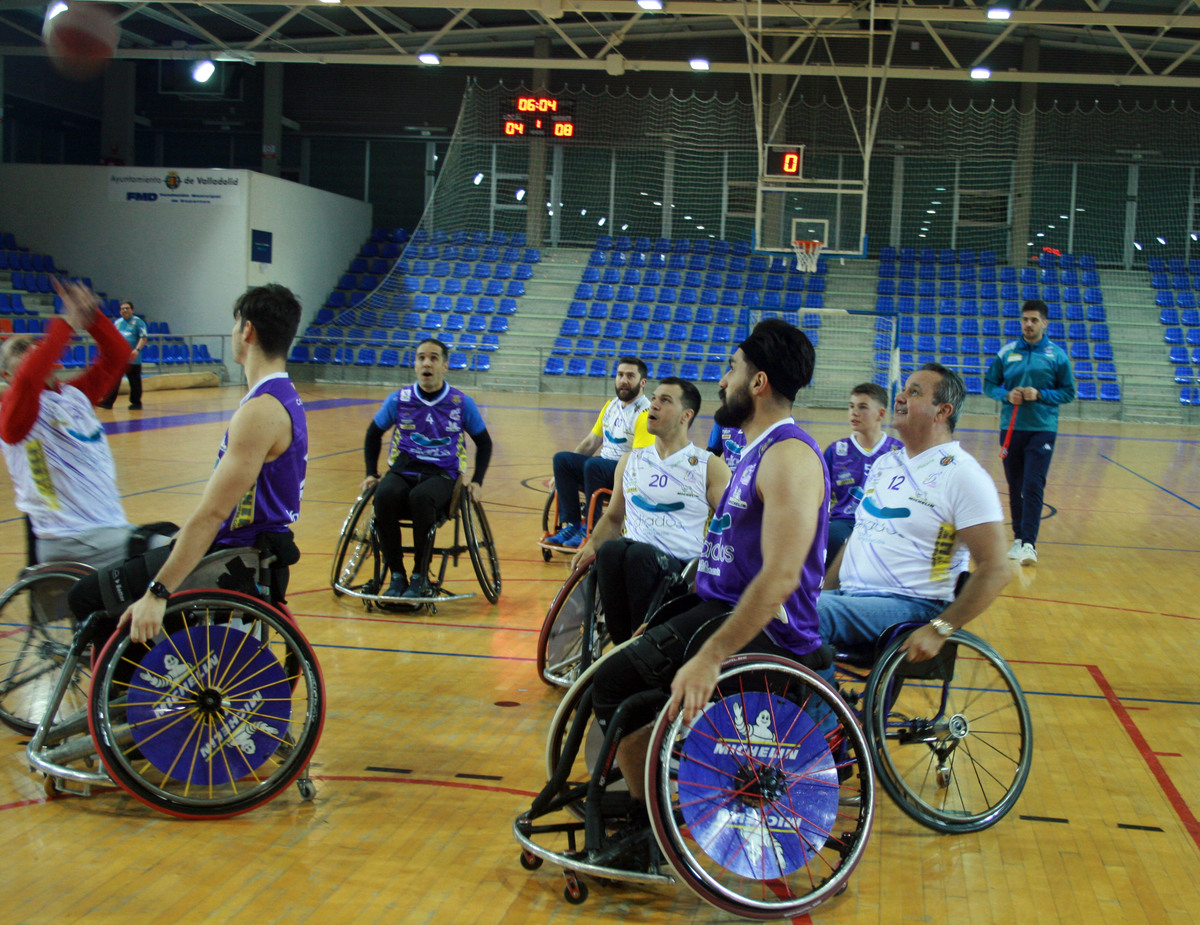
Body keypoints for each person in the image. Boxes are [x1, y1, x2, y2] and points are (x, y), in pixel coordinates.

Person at [589, 319, 830, 814]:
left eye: (731, 369)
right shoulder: (752, 450)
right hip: (716, 607)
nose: (723, 380)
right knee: (616, 671)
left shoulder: (789, 457)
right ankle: (648, 800)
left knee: (616, 685)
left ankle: (648, 823)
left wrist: (712, 656)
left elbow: (783, 577)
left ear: (758, 383)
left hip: (768, 634)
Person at [67, 283, 307, 643]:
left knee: (85, 596)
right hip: (252, 546)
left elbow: (213, 514)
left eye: (235, 324)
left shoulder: (261, 411)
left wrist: (157, 593)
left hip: (231, 558)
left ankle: (119, 694)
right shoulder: (282, 397)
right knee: (152, 536)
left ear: (247, 330)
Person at [818, 364, 1010, 665]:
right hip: (852, 599)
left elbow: (997, 568)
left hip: (910, 606)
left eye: (914, 392)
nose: (900, 397)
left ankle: (818, 712)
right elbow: (861, 535)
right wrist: (823, 591)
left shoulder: (963, 474)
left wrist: (940, 628)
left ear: (942, 412)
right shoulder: (886, 464)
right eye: (904, 389)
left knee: (798, 616)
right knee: (773, 607)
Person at [570, 377, 731, 644]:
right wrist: (591, 544)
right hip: (631, 555)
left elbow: (729, 524)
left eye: (665, 401)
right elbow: (612, 517)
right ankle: (624, 645)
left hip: (679, 569)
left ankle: (637, 650)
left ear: (686, 415)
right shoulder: (630, 460)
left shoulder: (708, 466)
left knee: (637, 555)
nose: (653, 406)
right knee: (610, 550)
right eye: (653, 398)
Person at [0, 279, 136, 569]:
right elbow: (27, 379)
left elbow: (119, 355)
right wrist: (67, 322)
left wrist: (92, 318)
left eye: (32, 346)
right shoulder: (14, 412)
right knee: (169, 552)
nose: (29, 350)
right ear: (5, 374)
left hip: (108, 526)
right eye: (18, 350)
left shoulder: (76, 395)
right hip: (71, 537)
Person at [361, 338, 493, 601]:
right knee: (384, 496)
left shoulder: (460, 402)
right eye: (421, 357)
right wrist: (370, 472)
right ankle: (397, 575)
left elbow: (484, 442)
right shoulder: (399, 399)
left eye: (433, 358)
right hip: (405, 469)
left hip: (443, 473)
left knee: (421, 498)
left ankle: (420, 575)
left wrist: (477, 480)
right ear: (415, 364)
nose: (426, 363)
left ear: (444, 366)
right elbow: (373, 434)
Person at [984, 299, 1075, 567]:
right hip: (1011, 429)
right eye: (1025, 319)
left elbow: (1068, 392)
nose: (1028, 324)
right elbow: (990, 385)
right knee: (1015, 484)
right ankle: (1018, 539)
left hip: (1042, 429)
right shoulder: (1007, 353)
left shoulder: (1057, 356)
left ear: (1045, 323)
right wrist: (1005, 394)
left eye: (1034, 320)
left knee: (1033, 484)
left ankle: (1030, 544)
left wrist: (1041, 394)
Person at [544, 357, 652, 550]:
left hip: (625, 475)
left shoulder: (645, 413)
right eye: (620, 375)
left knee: (593, 465)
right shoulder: (611, 406)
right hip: (599, 468)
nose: (623, 380)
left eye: (630, 376)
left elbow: (639, 460)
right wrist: (562, 473)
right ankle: (572, 525)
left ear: (642, 382)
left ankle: (592, 528)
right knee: (562, 459)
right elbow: (590, 442)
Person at [822, 382, 902, 566]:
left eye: (862, 407)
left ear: (881, 414)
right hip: (845, 521)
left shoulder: (898, 452)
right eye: (851, 406)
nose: (854, 412)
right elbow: (819, 495)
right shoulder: (836, 451)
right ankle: (826, 588)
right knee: (830, 537)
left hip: (883, 522)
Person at [98, 300, 148, 410]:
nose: (125, 310)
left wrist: (137, 350)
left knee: (134, 382)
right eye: (122, 309)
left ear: (132, 310)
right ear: (120, 311)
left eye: (127, 308)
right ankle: (108, 402)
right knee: (114, 381)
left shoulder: (138, 322)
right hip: (119, 359)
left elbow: (143, 338)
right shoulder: (117, 323)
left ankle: (136, 403)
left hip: (133, 359)